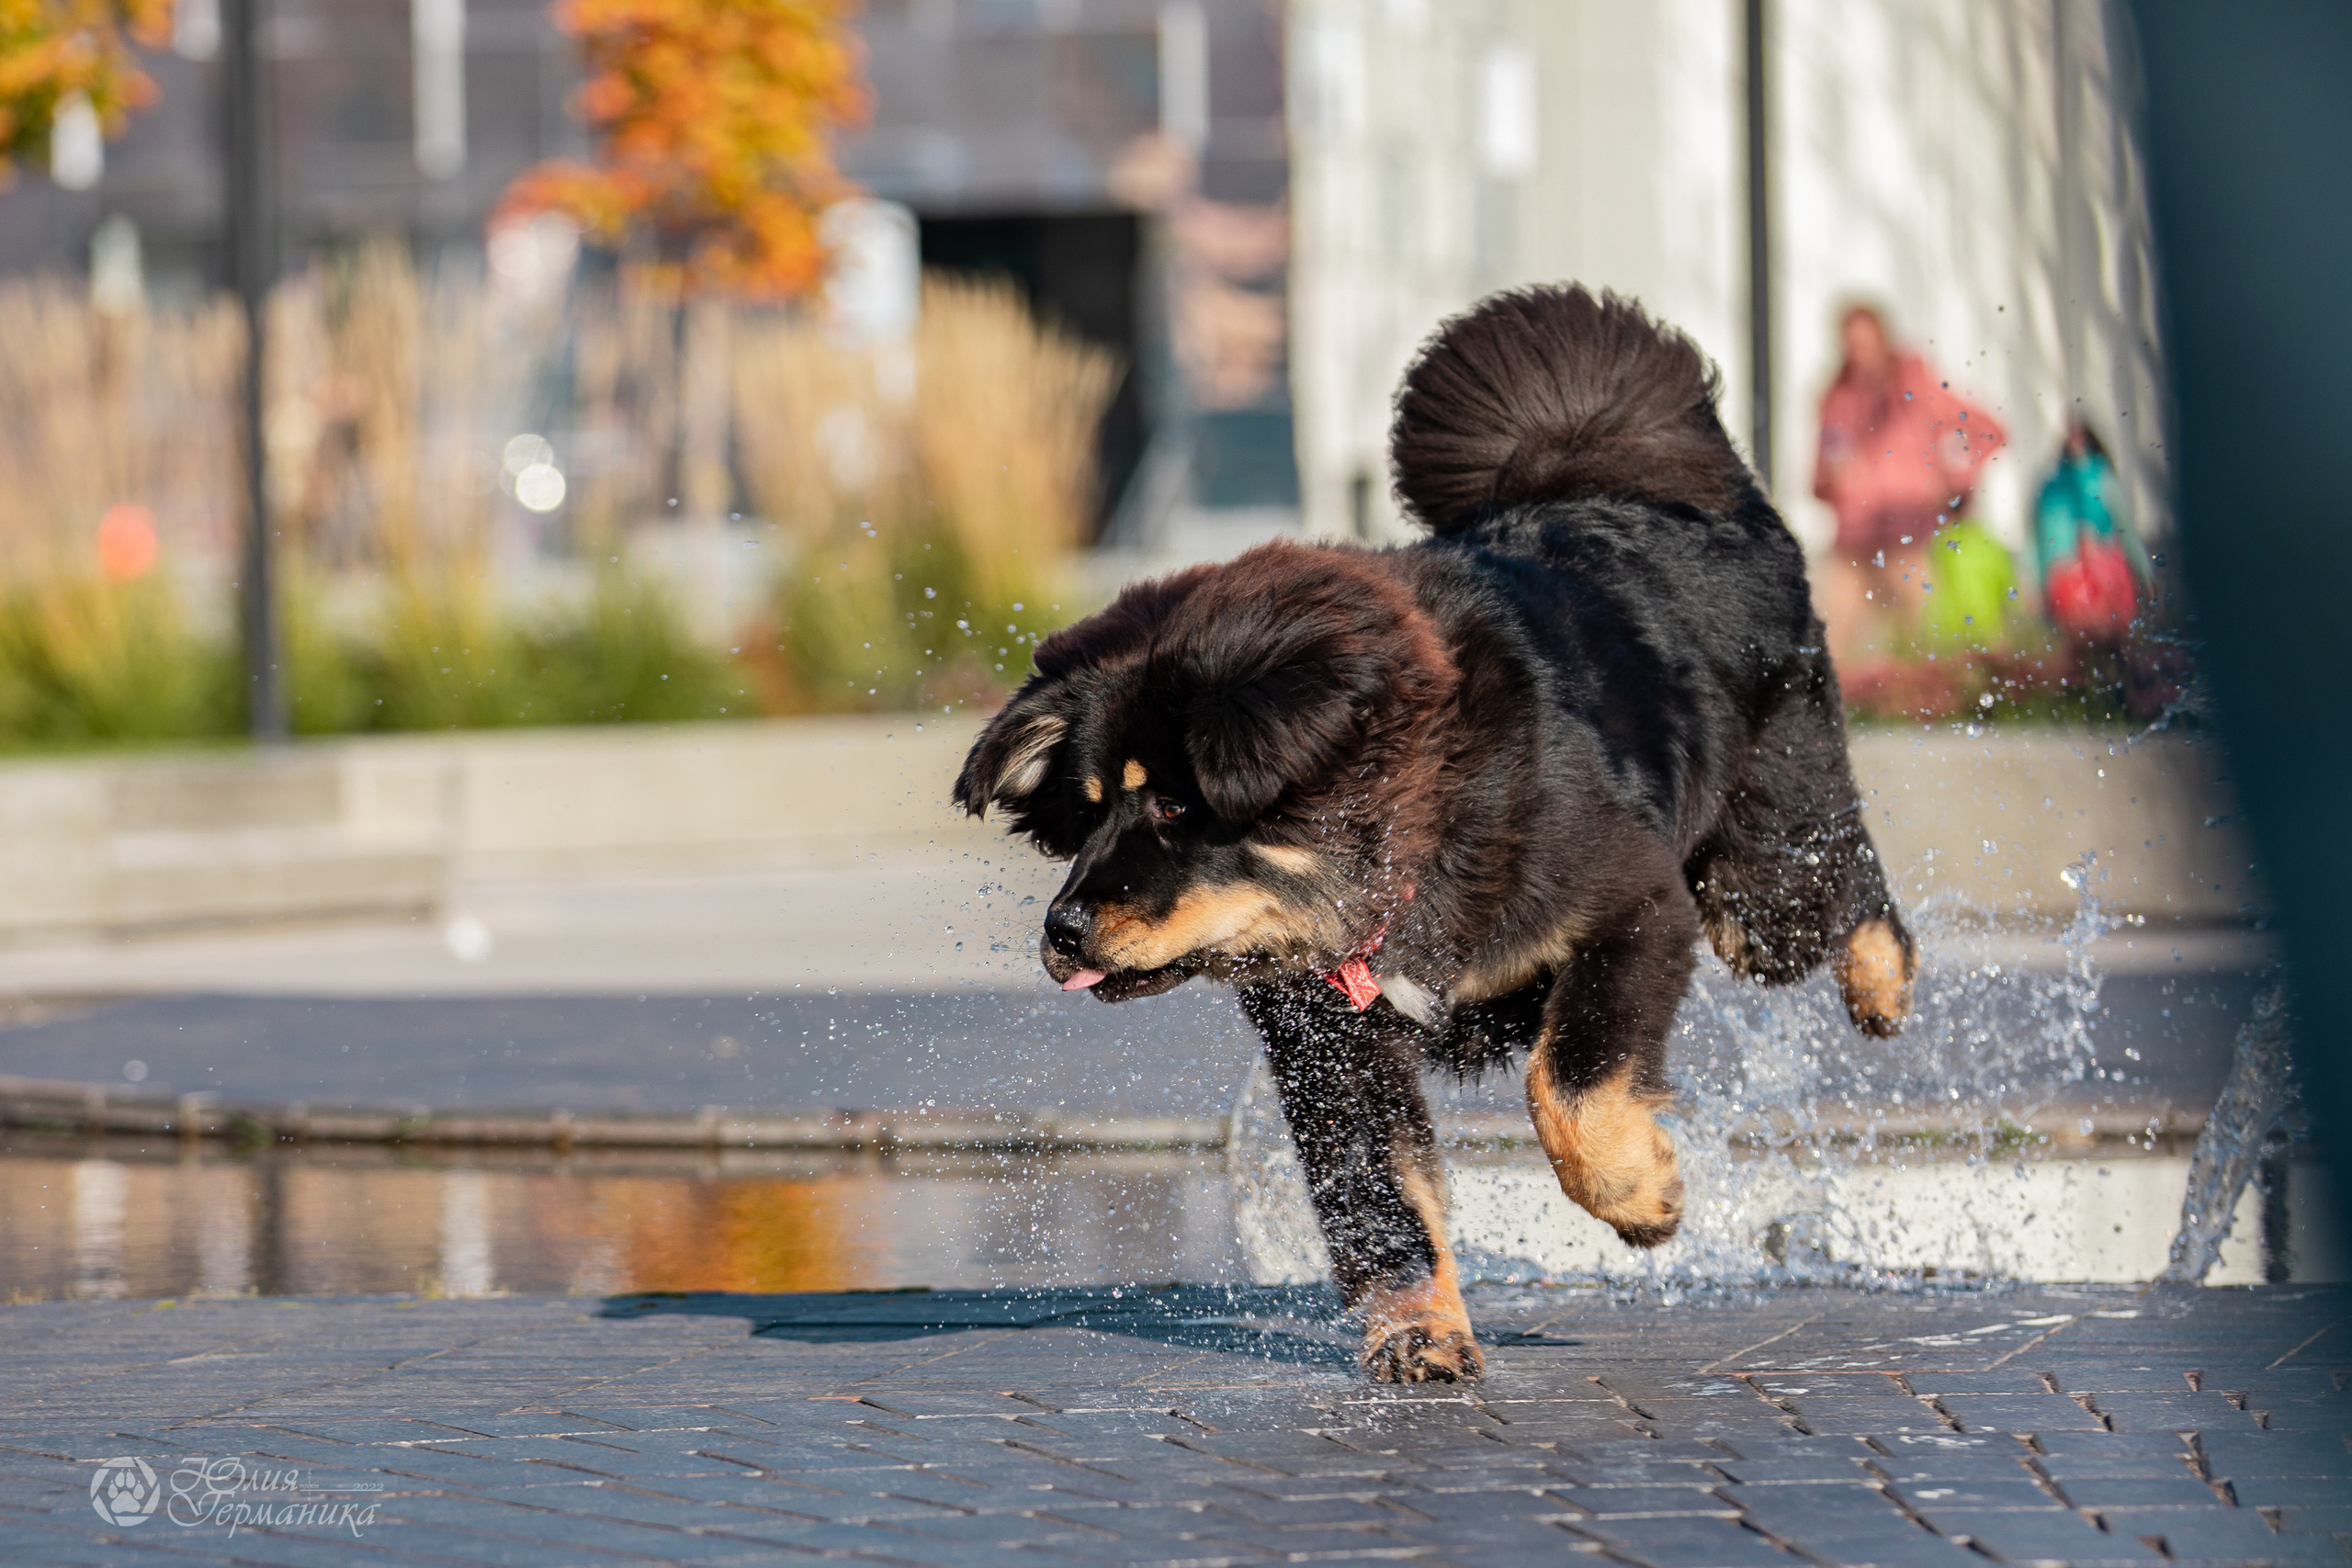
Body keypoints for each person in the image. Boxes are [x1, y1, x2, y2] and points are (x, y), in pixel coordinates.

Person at [1811, 305, 2006, 666]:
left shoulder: (1916, 387)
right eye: (1851, 344)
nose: (1859, 353)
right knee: (1830, 651)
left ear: (1883, 339)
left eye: (1866, 343)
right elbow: (1818, 479)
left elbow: (1988, 430)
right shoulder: (1836, 399)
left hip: (1910, 537)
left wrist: (1954, 482)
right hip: (1854, 542)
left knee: (1921, 649)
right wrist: (1835, 481)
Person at [2032, 419, 2152, 649]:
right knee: (2082, 641)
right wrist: (2039, 580)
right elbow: (2041, 537)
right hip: (2070, 570)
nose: (2075, 444)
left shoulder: (2102, 477)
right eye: (2070, 439)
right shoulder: (2054, 485)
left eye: (2080, 438)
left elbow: (2125, 526)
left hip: (2104, 564)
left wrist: (2144, 568)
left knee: (2115, 637)